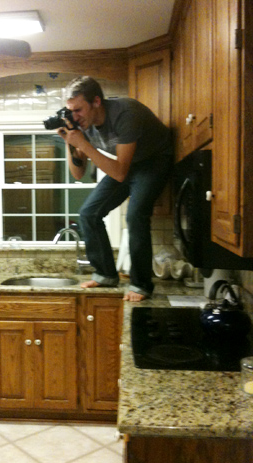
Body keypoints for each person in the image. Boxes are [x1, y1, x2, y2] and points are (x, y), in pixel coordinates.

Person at [57, 76, 173, 302]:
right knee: (88, 213)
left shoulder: (126, 113)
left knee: (136, 215)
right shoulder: (84, 125)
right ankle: (105, 275)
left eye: (78, 109)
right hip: (128, 164)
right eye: (71, 110)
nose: (74, 116)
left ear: (97, 102)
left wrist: (83, 144)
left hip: (155, 160)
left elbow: (119, 172)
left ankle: (141, 285)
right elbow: (78, 174)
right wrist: (70, 143)